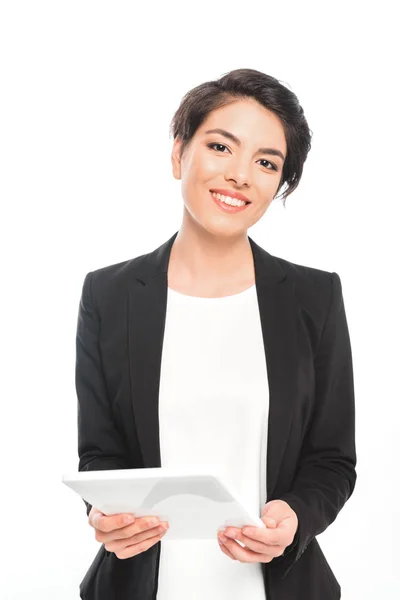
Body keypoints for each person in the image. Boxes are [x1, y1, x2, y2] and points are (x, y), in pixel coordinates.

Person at [75, 68, 356, 600]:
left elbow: (332, 459)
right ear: (179, 153)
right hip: (140, 586)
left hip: (278, 586)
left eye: (266, 162)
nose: (240, 175)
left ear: (279, 186)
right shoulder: (108, 295)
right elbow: (99, 452)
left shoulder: (314, 298)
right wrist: (105, 513)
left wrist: (293, 516)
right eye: (221, 146)